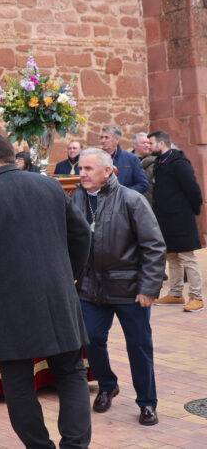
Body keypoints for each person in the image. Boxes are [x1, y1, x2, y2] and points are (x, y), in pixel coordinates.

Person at [0, 132, 92, 449]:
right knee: (71, 373)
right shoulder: (50, 186)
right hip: (58, 296)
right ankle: (75, 445)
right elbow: (82, 235)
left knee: (18, 382)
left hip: (8, 305)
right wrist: (69, 276)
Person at [71, 148, 166, 426]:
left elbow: (153, 246)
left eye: (88, 169)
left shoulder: (131, 199)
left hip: (129, 288)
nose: (82, 174)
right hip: (90, 286)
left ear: (107, 171)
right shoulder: (76, 198)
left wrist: (148, 287)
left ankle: (147, 402)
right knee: (91, 338)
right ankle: (107, 384)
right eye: (80, 169)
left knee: (138, 345)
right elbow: (69, 240)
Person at [147, 131, 204, 312]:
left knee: (187, 257)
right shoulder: (159, 163)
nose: (148, 147)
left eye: (151, 143)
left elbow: (193, 189)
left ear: (161, 143)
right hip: (165, 219)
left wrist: (193, 211)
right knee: (172, 256)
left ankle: (196, 296)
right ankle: (176, 294)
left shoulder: (179, 162)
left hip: (181, 218)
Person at [99, 126, 150, 193]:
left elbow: (143, 184)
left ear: (117, 139)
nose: (103, 141)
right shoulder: (95, 158)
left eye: (106, 137)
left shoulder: (131, 159)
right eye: (101, 137)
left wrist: (123, 193)